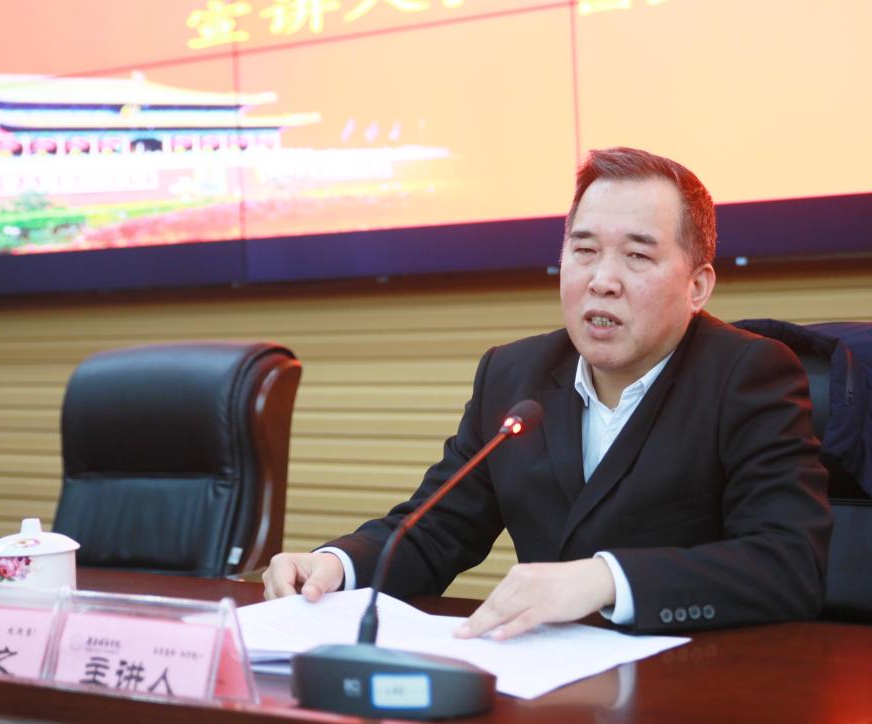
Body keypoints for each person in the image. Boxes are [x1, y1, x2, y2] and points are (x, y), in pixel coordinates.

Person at [263, 147, 831, 635]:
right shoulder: (513, 375)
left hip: (695, 682)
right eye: (584, 251)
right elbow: (434, 529)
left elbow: (788, 564)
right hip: (549, 681)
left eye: (637, 256)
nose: (601, 280)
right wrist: (336, 565)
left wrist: (607, 579)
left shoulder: (748, 374)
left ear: (698, 285)